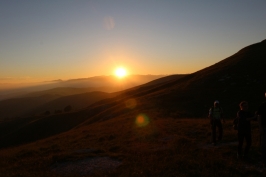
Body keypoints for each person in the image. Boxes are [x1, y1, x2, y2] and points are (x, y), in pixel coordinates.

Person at [258, 92, 266, 163]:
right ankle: (263, 158)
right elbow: (259, 116)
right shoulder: (263, 106)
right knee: (264, 143)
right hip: (264, 127)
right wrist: (260, 127)